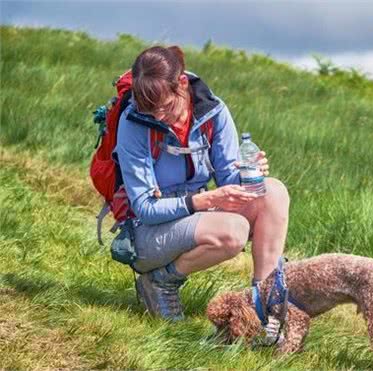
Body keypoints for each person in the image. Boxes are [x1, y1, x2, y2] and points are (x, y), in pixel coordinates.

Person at [114, 45, 290, 321]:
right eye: (150, 111)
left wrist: (249, 172)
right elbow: (146, 207)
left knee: (274, 191)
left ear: (182, 83)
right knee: (233, 232)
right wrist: (205, 200)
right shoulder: (133, 122)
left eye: (166, 107)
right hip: (146, 232)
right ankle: (159, 281)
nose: (158, 117)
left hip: (198, 215)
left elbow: (230, 181)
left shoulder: (213, 111)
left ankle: (265, 305)